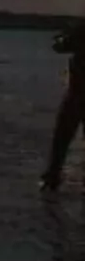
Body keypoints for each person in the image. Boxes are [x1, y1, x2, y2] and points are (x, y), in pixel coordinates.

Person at [41, 24, 85, 191]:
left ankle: (53, 176)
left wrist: (63, 35)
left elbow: (58, 46)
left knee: (62, 137)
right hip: (76, 95)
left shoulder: (81, 31)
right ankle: (53, 175)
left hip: (76, 96)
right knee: (62, 137)